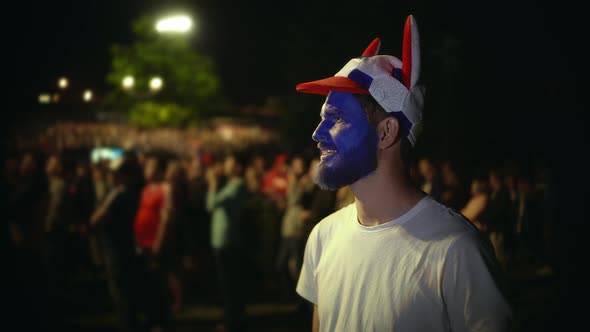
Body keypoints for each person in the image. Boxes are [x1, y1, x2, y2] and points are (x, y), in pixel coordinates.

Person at [294, 15, 513, 331]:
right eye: (323, 119)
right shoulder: (324, 236)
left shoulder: (456, 249)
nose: (318, 133)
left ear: (386, 132)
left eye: (337, 119)